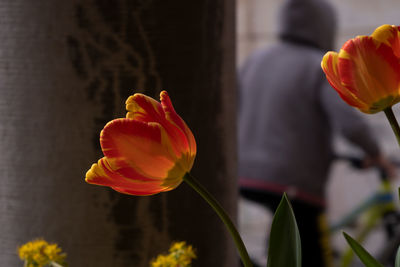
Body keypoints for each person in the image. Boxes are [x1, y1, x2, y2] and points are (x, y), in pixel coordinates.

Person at [237, 0, 395, 266]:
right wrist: (376, 154)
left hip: (246, 176)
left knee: (282, 249)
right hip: (295, 184)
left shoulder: (256, 60)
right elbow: (350, 124)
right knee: (312, 258)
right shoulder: (317, 65)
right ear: (325, 26)